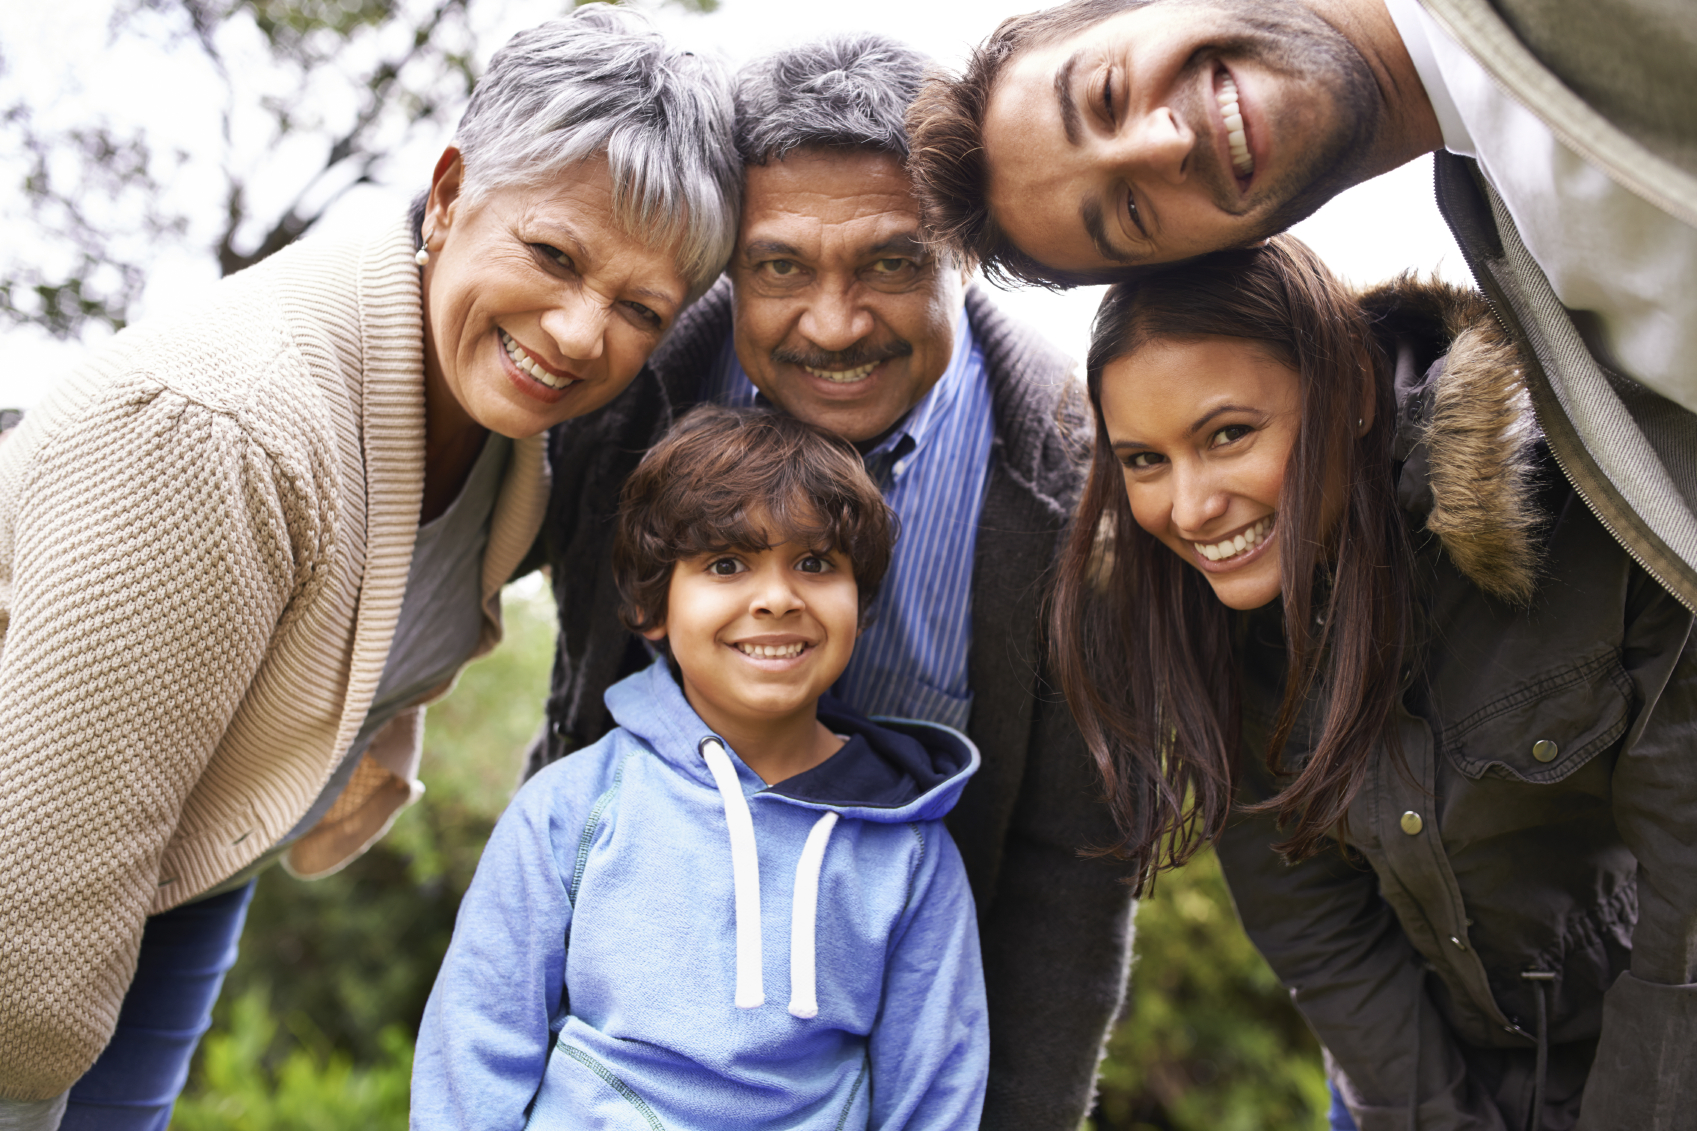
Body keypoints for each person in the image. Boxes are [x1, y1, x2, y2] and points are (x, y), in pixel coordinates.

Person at [0, 9, 739, 1128]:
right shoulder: (222, 430)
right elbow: (22, 962)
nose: (584, 333)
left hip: (192, 866)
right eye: (551, 254)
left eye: (641, 308)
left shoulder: (508, 431)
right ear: (447, 196)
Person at [530, 33, 1136, 1129]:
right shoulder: (623, 398)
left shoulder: (1080, 492)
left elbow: (1064, 884)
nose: (834, 323)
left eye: (892, 263)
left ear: (962, 247)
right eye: (779, 267)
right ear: (727, 262)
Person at [1050, 234, 1697, 1129]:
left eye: (1228, 434)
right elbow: (1314, 921)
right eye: (1144, 461)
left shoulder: (1586, 504)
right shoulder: (1207, 616)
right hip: (1420, 1078)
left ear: (1350, 392)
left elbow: (1687, 897)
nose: (1190, 508)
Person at [905, 0, 1697, 614]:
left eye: (1106, 92)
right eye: (1133, 213)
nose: (1160, 145)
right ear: (1208, 262)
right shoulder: (1533, 284)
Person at [412, 405, 988, 1130]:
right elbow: (476, 1040)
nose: (777, 596)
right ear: (653, 604)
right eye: (726, 563)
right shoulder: (570, 806)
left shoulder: (910, 846)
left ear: (860, 602)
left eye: (814, 563)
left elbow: (934, 1092)